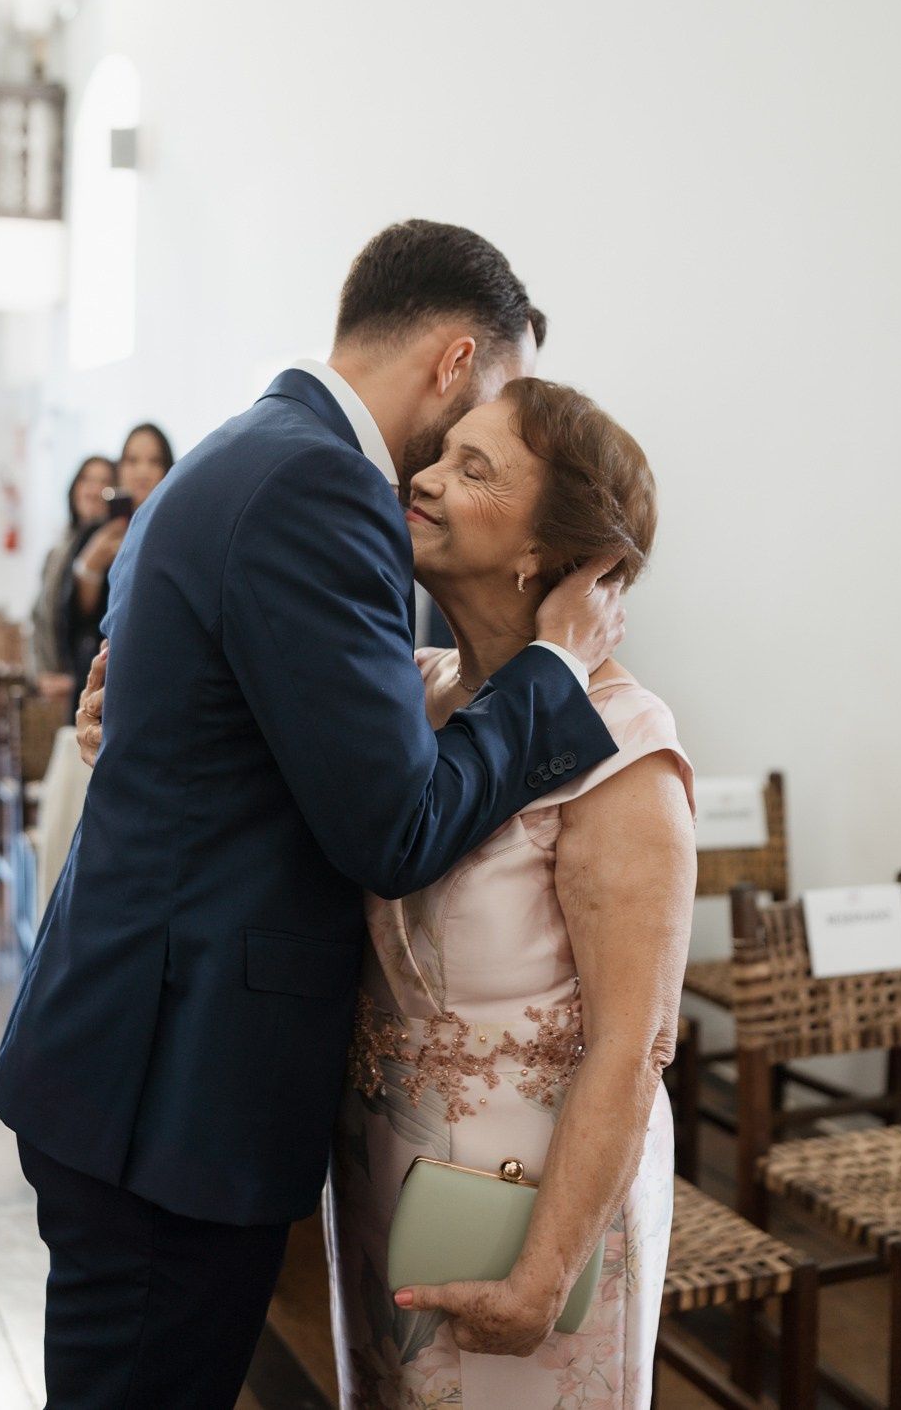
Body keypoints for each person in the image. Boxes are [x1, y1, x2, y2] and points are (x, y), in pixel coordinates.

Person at [0, 220, 627, 1410]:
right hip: (169, 1090)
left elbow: (209, 719)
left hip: (140, 1050)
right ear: (455, 360)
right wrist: (555, 671)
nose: (474, 447)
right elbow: (390, 826)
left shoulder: (246, 450)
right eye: (500, 399)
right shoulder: (320, 486)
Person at [326, 378, 697, 1410]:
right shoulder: (412, 692)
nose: (426, 478)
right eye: (440, 455)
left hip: (532, 1207)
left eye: (474, 468)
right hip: (380, 1176)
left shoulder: (626, 751)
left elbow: (636, 1042)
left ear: (548, 552)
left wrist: (542, 1276)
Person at [62, 422, 174, 717]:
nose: (142, 471)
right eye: (133, 460)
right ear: (120, 468)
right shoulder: (97, 533)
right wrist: (92, 563)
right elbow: (78, 617)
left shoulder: (175, 531)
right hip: (98, 676)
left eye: (154, 461)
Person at [30, 455, 116, 701]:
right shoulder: (58, 552)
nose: (94, 489)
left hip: (88, 685)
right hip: (52, 678)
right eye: (87, 480)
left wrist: (76, 681)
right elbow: (40, 616)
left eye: (104, 481)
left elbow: (95, 624)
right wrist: (42, 674)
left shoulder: (116, 549)